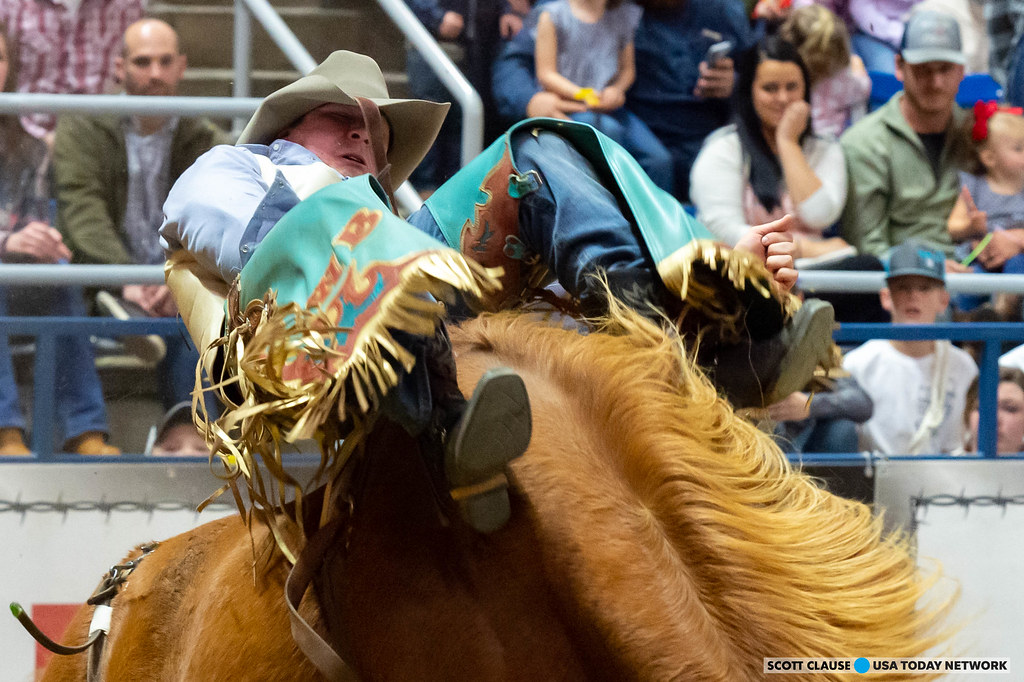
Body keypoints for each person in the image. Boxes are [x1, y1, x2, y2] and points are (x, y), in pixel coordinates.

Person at [161, 51, 834, 531]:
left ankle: (689, 329)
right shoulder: (237, 167)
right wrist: (369, 239)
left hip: (408, 300)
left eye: (377, 132)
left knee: (536, 146)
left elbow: (498, 293)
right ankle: (447, 429)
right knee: (382, 243)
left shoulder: (393, 218)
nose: (364, 134)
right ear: (287, 131)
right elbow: (224, 225)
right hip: (293, 345)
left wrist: (705, 260)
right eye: (342, 119)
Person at [52, 18, 229, 410]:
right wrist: (126, 278)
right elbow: (83, 209)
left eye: (166, 62)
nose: (156, 74)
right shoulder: (82, 127)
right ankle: (121, 312)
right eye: (142, 62)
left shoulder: (206, 139)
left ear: (182, 67)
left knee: (203, 303)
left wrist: (176, 276)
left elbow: (218, 219)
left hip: (175, 283)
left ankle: (187, 431)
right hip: (104, 278)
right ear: (119, 68)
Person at [492, 0, 753, 201]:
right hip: (612, 135)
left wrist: (736, 84)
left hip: (703, 145)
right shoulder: (573, 7)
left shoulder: (722, 10)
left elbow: (766, 76)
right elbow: (513, 65)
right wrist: (532, 99)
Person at [0, 20, 120, 457]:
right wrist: (6, 244)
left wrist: (45, 243)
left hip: (14, 276)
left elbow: (30, 221)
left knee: (61, 274)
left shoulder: (29, 148)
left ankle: (83, 429)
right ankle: (4, 431)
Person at [689, 36, 848, 260]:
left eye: (792, 87)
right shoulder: (722, 149)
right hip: (746, 275)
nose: (783, 98)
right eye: (770, 88)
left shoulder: (826, 148)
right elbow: (723, 231)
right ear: (749, 92)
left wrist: (787, 143)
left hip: (815, 279)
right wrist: (802, 249)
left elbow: (819, 215)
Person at [840, 9, 970, 260]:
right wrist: (930, 270)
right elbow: (868, 248)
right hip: (904, 288)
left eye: (945, 69)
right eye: (923, 69)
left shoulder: (981, 133)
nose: (936, 82)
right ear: (899, 66)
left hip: (983, 279)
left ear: (961, 71)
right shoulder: (864, 143)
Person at [844, 240, 978, 455]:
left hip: (950, 481)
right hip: (877, 481)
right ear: (886, 297)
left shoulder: (963, 365)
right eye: (903, 287)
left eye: (925, 288)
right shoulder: (858, 364)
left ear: (944, 300)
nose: (913, 295)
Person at [533, 0, 673, 191]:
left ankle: (653, 217)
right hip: (571, 108)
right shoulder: (553, 15)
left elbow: (627, 70)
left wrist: (617, 90)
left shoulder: (623, 16)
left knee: (658, 159)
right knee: (610, 135)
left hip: (612, 108)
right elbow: (546, 73)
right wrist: (583, 94)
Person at [404, 0, 528, 191]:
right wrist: (436, 17)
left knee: (462, 122)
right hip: (431, 40)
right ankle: (424, 193)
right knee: (430, 118)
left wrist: (506, 11)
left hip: (474, 44)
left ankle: (455, 192)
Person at [0, 0, 145, 140]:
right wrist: (36, 142)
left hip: (100, 143)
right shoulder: (11, 4)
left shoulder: (129, 5)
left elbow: (137, 77)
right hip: (23, 143)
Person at [947, 102, 1024, 315]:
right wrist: (970, 226)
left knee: (1018, 266)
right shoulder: (974, 187)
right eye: (1018, 149)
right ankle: (969, 327)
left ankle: (1004, 310)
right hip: (981, 257)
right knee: (970, 283)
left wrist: (1017, 242)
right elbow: (954, 226)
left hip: (1018, 259)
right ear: (989, 158)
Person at [778, 4, 871, 138]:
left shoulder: (785, 77)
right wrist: (858, 67)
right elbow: (863, 89)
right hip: (833, 144)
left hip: (792, 139)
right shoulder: (844, 77)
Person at [961, 366, 1024, 455]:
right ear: (967, 416)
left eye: (1010, 409)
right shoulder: (942, 466)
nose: (994, 419)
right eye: (982, 408)